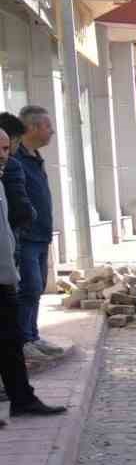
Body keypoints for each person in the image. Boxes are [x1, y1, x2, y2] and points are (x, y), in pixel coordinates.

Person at [0, 127, 67, 426]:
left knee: (11, 341)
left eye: (6, 149)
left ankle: (22, 399)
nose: (5, 156)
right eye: (0, 149)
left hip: (4, 276)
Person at [11, 105, 65, 361]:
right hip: (26, 237)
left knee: (38, 287)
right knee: (29, 287)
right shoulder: (15, 158)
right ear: (32, 127)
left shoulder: (34, 156)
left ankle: (32, 335)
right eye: (47, 126)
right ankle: (23, 341)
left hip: (42, 235)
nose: (52, 131)